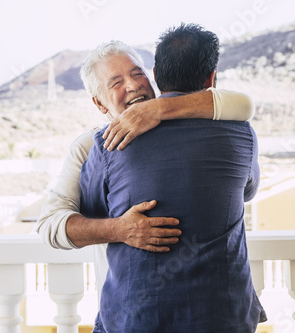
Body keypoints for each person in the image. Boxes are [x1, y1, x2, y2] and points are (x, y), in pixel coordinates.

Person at [80, 24, 265, 332]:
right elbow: (248, 190)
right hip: (222, 317)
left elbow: (91, 209)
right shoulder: (241, 132)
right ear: (211, 78)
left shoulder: (106, 144)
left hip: (134, 320)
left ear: (154, 73)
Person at [36, 41, 255, 301]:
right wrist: (119, 229)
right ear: (100, 103)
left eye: (137, 73)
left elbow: (243, 104)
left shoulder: (190, 125)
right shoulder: (90, 147)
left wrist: (158, 109)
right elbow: (50, 225)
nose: (132, 85)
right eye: (116, 82)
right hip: (130, 309)